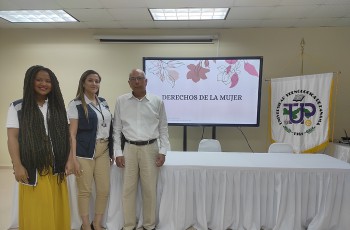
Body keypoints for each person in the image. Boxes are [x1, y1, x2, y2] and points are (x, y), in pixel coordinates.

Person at [6, 65, 72, 230]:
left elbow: (66, 136)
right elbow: (12, 138)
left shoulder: (57, 107)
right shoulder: (17, 107)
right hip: (33, 166)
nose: (44, 84)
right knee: (38, 209)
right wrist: (17, 165)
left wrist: (70, 159)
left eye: (48, 81)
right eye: (39, 79)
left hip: (56, 166)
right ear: (30, 81)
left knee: (57, 207)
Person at [113, 68, 170, 230]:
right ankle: (129, 225)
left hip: (151, 148)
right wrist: (118, 152)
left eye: (140, 78)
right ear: (129, 82)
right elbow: (116, 129)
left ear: (146, 81)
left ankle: (149, 225)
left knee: (150, 190)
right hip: (129, 148)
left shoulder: (157, 101)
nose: (136, 81)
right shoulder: (121, 101)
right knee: (128, 190)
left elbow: (163, 128)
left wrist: (163, 151)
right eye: (133, 78)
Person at [68, 70, 113, 230]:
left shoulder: (103, 101)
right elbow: (72, 134)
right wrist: (72, 159)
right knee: (85, 190)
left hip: (103, 150)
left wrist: (112, 152)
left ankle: (97, 222)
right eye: (90, 80)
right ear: (83, 83)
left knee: (104, 189)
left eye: (97, 81)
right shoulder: (76, 104)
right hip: (84, 152)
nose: (94, 83)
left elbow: (109, 127)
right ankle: (86, 224)